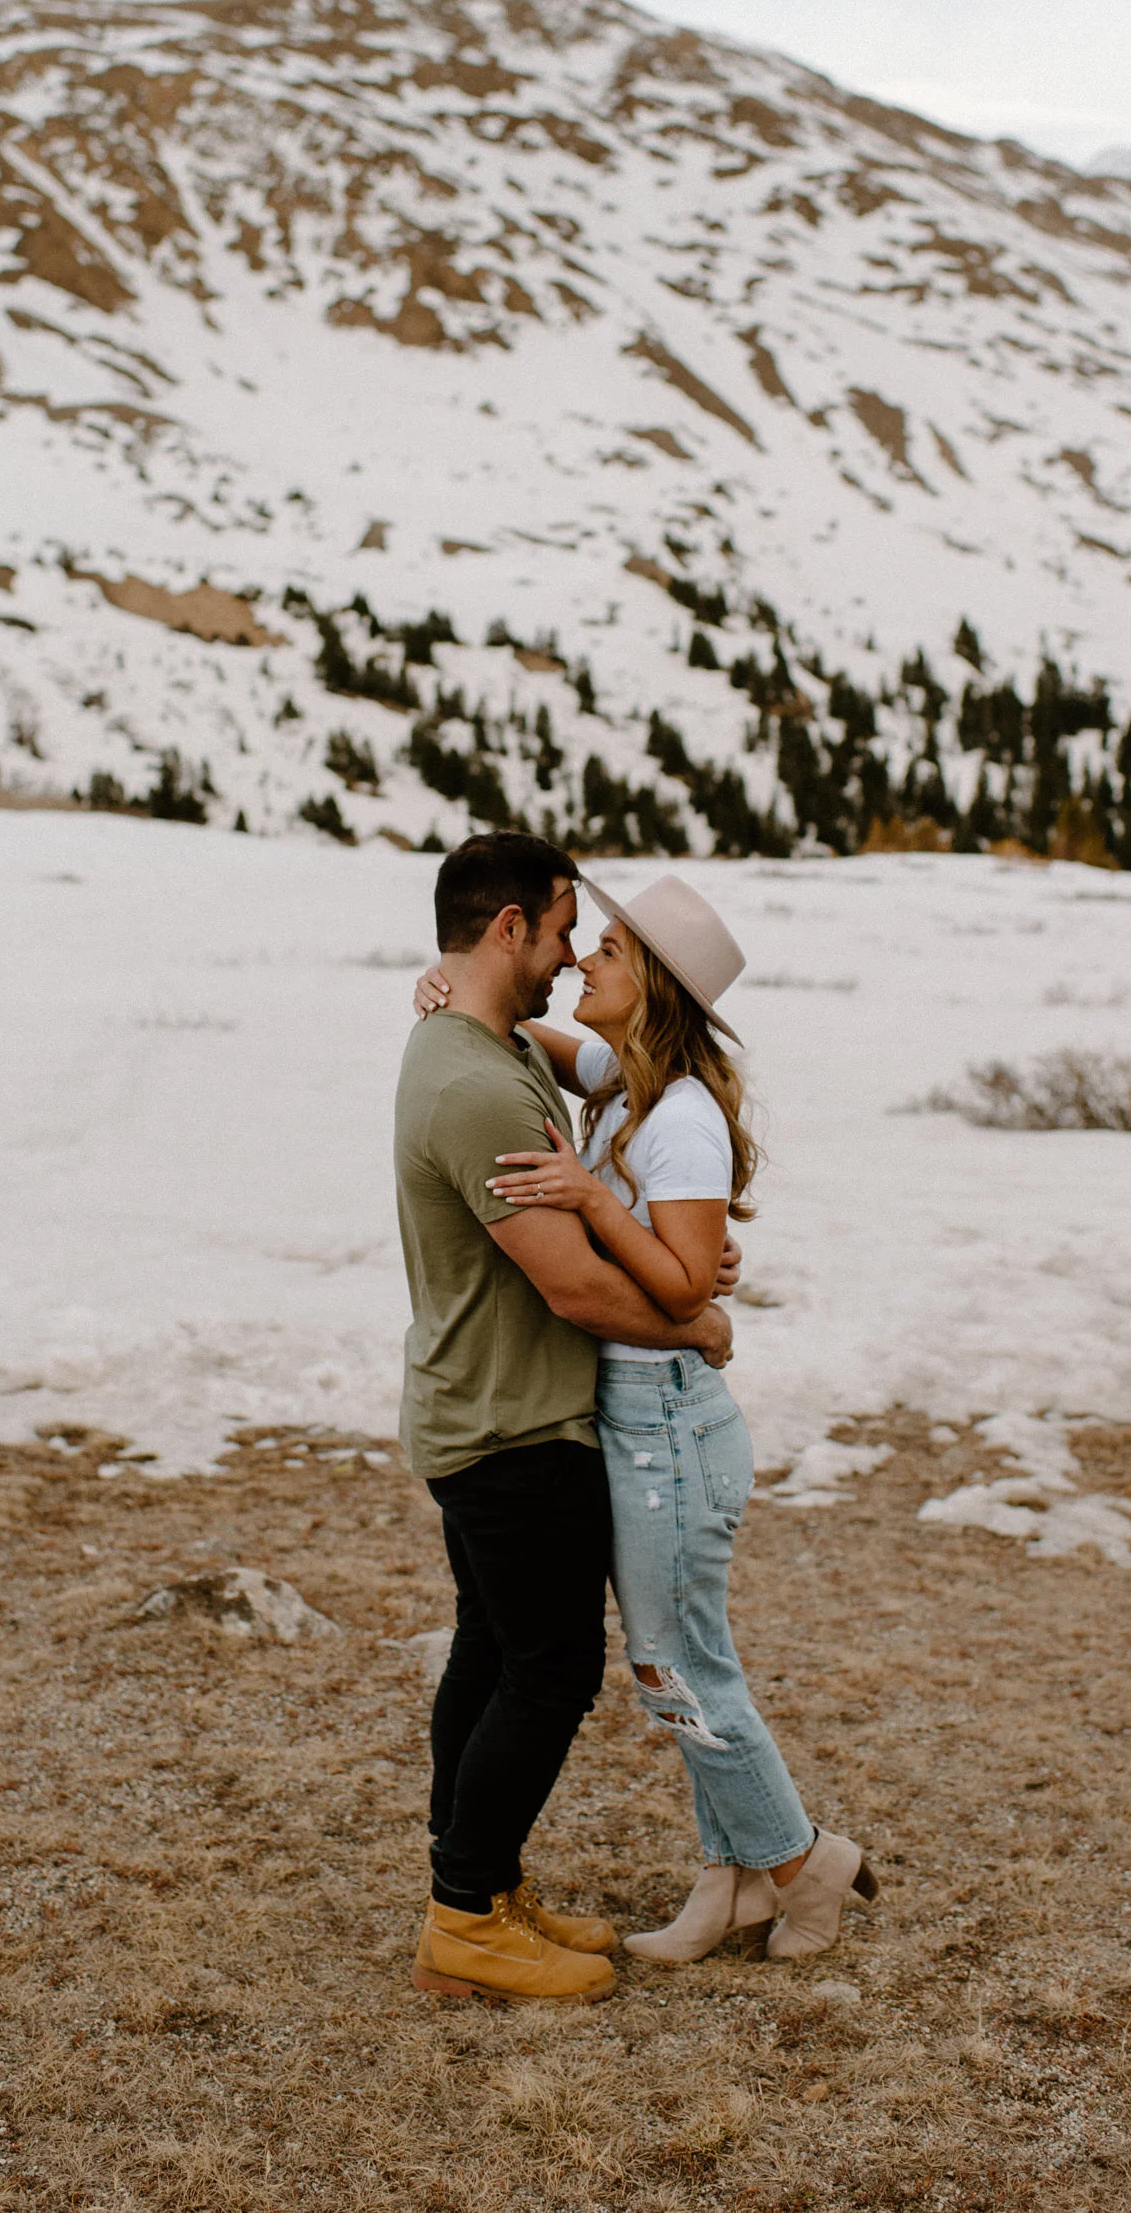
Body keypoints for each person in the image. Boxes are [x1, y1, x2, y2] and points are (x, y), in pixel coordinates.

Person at [416, 871, 877, 1965]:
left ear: (654, 991)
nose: (582, 960)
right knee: (675, 1657)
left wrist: (583, 1198)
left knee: (678, 1665)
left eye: (609, 953)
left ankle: (801, 1859)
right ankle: (730, 1885)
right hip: (633, 1416)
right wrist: (451, 981)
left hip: (669, 1421)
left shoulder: (675, 1120)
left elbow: (681, 1291)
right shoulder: (625, 1082)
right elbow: (528, 1023)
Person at [394, 832, 737, 2005]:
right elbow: (575, 1287)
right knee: (547, 1665)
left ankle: (478, 1891)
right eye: (554, 930)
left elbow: (597, 1070)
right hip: (512, 1422)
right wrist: (689, 1319)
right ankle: (464, 1918)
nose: (563, 955)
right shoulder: (476, 1077)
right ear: (506, 930)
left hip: (487, 1406)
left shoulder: (475, 1045)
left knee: (494, 1649)